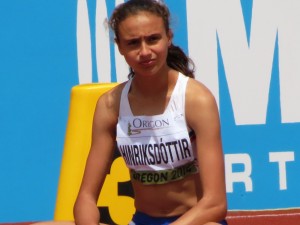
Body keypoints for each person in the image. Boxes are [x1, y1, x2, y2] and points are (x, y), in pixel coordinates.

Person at [73, 0, 228, 224]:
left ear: (168, 37)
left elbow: (215, 203)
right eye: (133, 43)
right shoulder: (110, 105)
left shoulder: (197, 99)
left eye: (153, 39)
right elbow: (86, 198)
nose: (145, 52)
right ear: (119, 47)